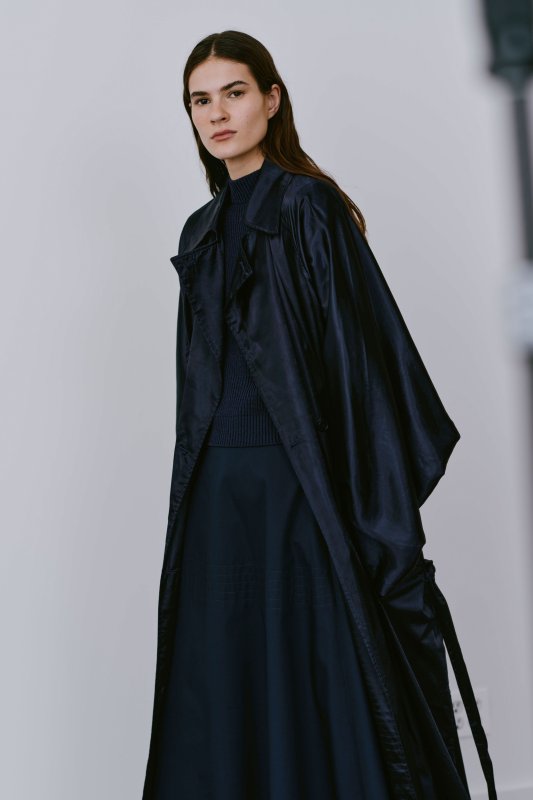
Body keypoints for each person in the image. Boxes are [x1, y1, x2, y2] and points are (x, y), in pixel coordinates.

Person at [142, 29, 497, 800]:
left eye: (234, 93)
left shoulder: (308, 207)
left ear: (271, 100)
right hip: (214, 495)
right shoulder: (199, 233)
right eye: (200, 101)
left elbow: (359, 363)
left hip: (296, 489)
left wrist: (366, 508)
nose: (216, 114)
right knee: (227, 677)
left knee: (318, 674)